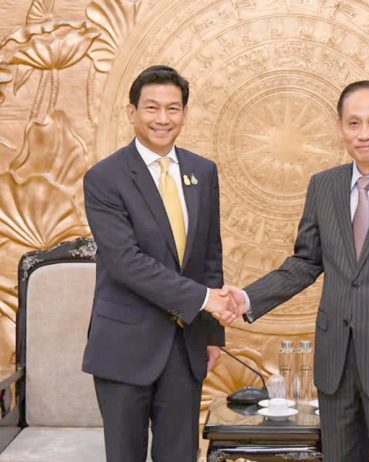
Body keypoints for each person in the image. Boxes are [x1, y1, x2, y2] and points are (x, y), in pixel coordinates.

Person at [224, 80, 369, 462]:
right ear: (340, 128)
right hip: (336, 361)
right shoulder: (323, 186)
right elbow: (306, 261)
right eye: (354, 123)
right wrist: (249, 297)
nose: (364, 134)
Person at [82, 65, 237, 462]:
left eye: (173, 108)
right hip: (124, 347)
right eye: (152, 108)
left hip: (185, 346)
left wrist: (211, 334)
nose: (163, 118)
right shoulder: (105, 177)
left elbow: (209, 255)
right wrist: (205, 299)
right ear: (131, 112)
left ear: (184, 113)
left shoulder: (202, 171)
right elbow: (126, 262)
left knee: (181, 455)